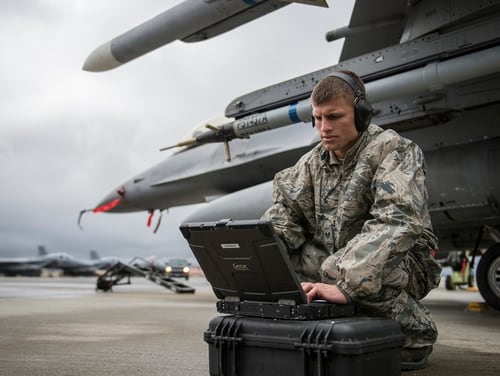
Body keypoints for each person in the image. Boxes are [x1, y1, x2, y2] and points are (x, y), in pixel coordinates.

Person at [261, 70, 442, 371]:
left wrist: (346, 284)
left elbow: (397, 221)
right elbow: (283, 219)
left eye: (334, 117)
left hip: (402, 262)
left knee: (347, 272)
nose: (324, 128)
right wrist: (260, 264)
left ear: (361, 115)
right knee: (283, 266)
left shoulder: (393, 150)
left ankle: (415, 335)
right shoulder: (312, 163)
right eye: (317, 118)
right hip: (337, 261)